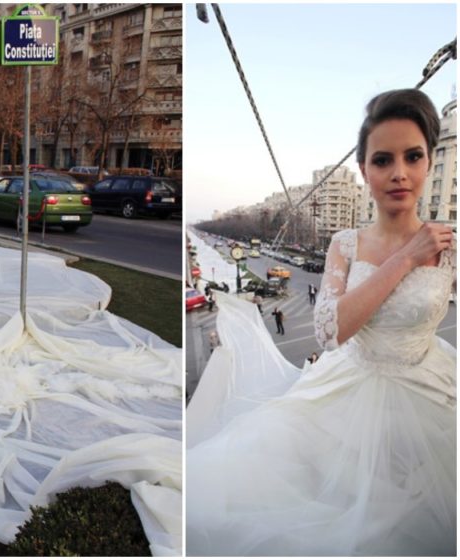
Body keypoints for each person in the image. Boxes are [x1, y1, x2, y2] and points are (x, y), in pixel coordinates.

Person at [187, 89, 456, 555]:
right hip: (350, 400)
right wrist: (408, 258)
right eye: (382, 160)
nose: (399, 173)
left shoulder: (450, 245)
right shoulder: (345, 244)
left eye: (413, 156)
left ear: (430, 162)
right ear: (364, 170)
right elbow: (332, 333)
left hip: (435, 396)